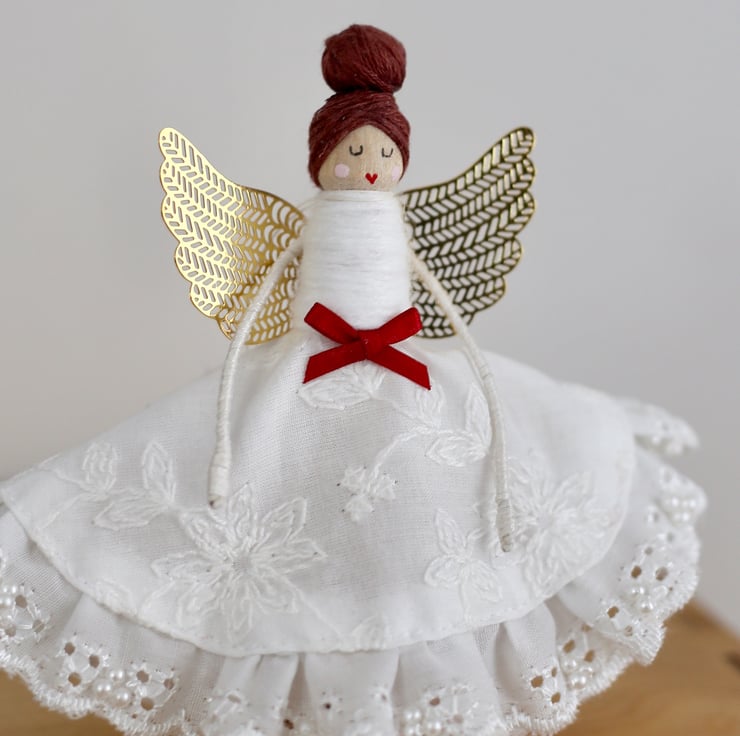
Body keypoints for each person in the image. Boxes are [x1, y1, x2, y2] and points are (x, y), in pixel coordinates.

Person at [0, 24, 704, 736]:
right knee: (273, 478)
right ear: (324, 159)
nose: (370, 166)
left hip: (405, 365)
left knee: (429, 505)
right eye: (355, 152)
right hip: (310, 360)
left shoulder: (396, 226)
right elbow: (270, 295)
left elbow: (429, 297)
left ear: (402, 160)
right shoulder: (307, 232)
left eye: (385, 152)